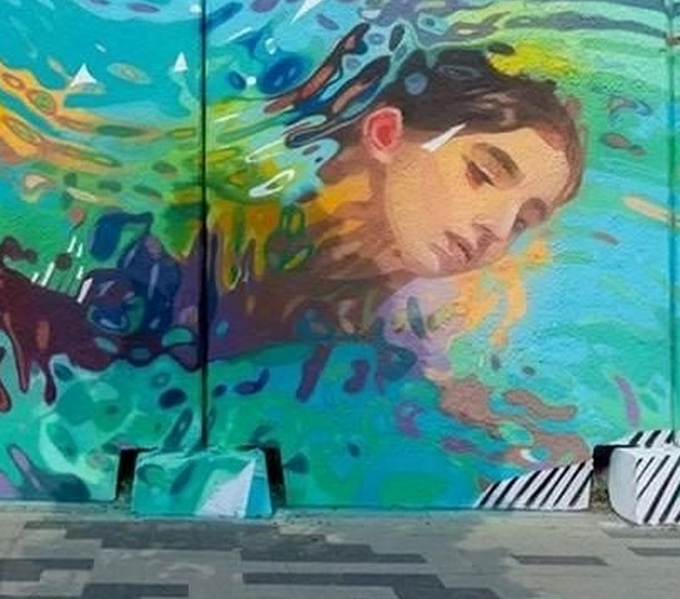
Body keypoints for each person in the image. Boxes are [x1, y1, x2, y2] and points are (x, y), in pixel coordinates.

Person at [209, 27, 587, 356]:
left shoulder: (390, 345)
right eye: (484, 174)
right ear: (386, 133)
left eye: (521, 222)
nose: (500, 230)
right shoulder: (215, 223)